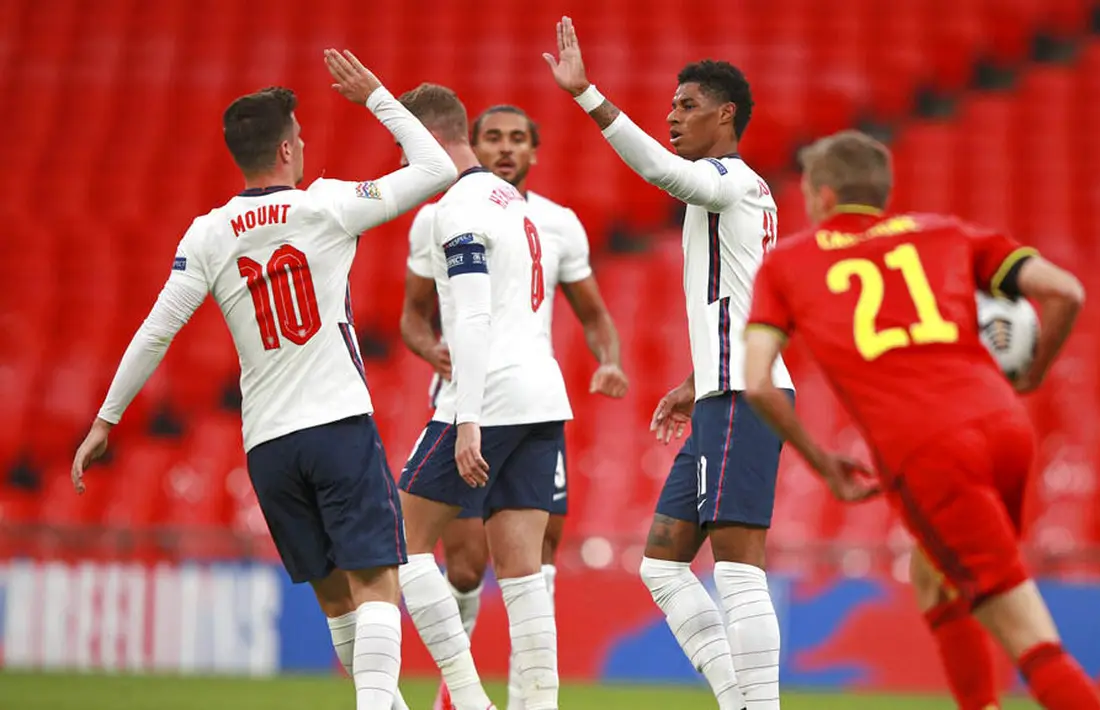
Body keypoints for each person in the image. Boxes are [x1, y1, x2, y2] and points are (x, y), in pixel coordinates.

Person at [69, 50, 459, 710]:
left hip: (268, 447)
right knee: (375, 588)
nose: (304, 149)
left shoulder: (208, 233)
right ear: (285, 150)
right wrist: (376, 98)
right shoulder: (329, 205)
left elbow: (155, 331)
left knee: (337, 602)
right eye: (300, 140)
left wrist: (107, 419)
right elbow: (438, 169)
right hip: (335, 422)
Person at [742, 130, 1100, 710]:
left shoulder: (788, 262)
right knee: (933, 574)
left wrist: (822, 464)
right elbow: (1065, 291)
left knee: (1027, 636)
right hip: (1006, 427)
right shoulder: (948, 233)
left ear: (825, 196)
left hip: (931, 452)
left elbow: (758, 381)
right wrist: (1032, 374)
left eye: (808, 191)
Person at [545, 17, 794, 710]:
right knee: (662, 562)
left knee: (738, 568)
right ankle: (735, 698)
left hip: (745, 393)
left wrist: (587, 94)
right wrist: (695, 378)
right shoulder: (746, 193)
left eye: (685, 105)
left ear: (725, 115)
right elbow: (751, 301)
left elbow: (659, 170)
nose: (670, 115)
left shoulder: (728, 181)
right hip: (727, 387)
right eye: (670, 104)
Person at [400, 103, 628, 710]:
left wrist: (609, 358)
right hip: (535, 393)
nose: (505, 149)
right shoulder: (507, 213)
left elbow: (485, 316)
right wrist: (434, 351)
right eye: (493, 137)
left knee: (405, 543)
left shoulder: (479, 210)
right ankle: (530, 703)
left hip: (486, 396)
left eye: (517, 139)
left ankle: (465, 700)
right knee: (494, 566)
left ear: (534, 150)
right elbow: (415, 317)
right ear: (474, 143)